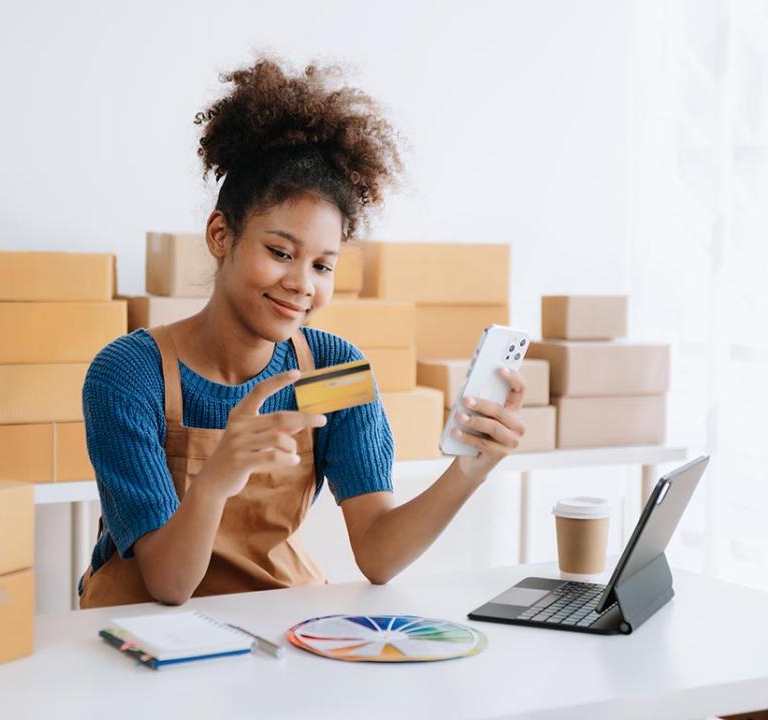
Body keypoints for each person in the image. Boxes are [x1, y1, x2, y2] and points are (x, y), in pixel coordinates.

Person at [78, 58, 527, 608]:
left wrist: (468, 470)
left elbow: (379, 556)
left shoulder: (329, 373)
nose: (300, 284)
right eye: (280, 252)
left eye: (322, 266)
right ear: (221, 235)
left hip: (271, 618)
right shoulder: (132, 373)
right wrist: (218, 478)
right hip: (145, 629)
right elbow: (168, 585)